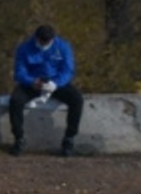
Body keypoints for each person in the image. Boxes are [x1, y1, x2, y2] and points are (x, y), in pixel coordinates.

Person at [7, 24, 84, 157]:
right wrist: (32, 81)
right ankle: (19, 138)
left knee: (77, 99)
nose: (44, 44)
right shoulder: (25, 48)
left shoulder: (63, 47)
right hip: (32, 84)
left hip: (56, 83)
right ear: (36, 38)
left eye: (47, 41)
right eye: (42, 41)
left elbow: (68, 70)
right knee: (15, 101)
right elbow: (19, 72)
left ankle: (69, 139)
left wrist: (56, 83)